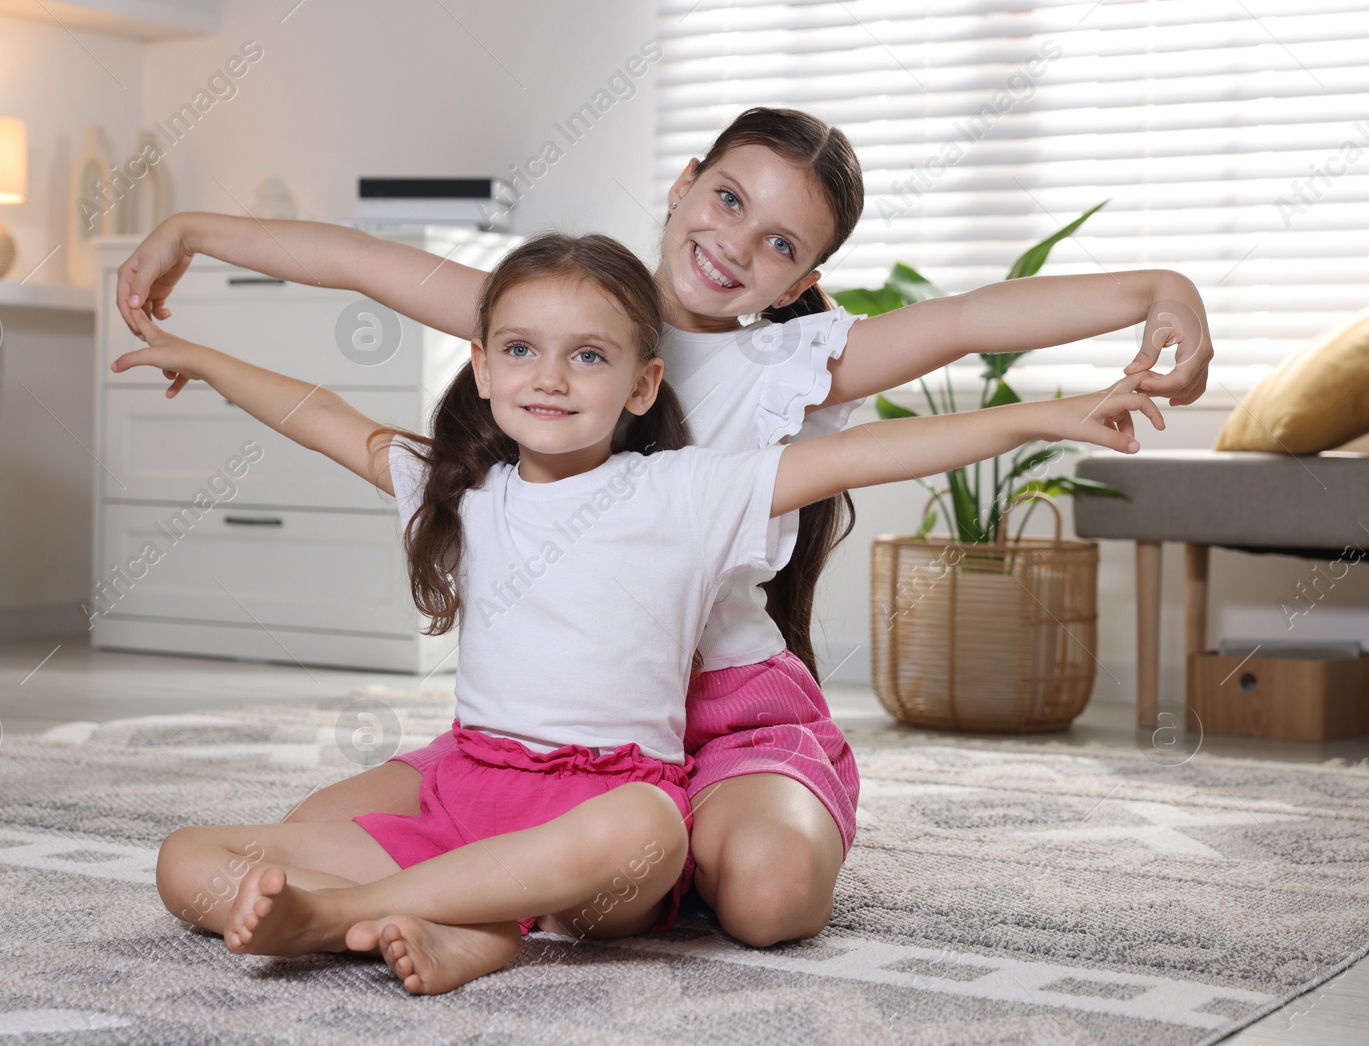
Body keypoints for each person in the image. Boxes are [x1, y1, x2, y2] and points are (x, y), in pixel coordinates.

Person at [118, 107, 1211, 948]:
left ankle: (559, 882)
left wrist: (1158, 292)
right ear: (685, 181)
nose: (737, 243)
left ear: (804, 279)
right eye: (728, 199)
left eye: (780, 242)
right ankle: (488, 899)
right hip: (545, 723)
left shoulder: (794, 363)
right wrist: (194, 231)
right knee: (303, 826)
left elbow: (970, 320)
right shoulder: (563, 314)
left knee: (770, 899)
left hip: (718, 713)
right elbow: (364, 264)